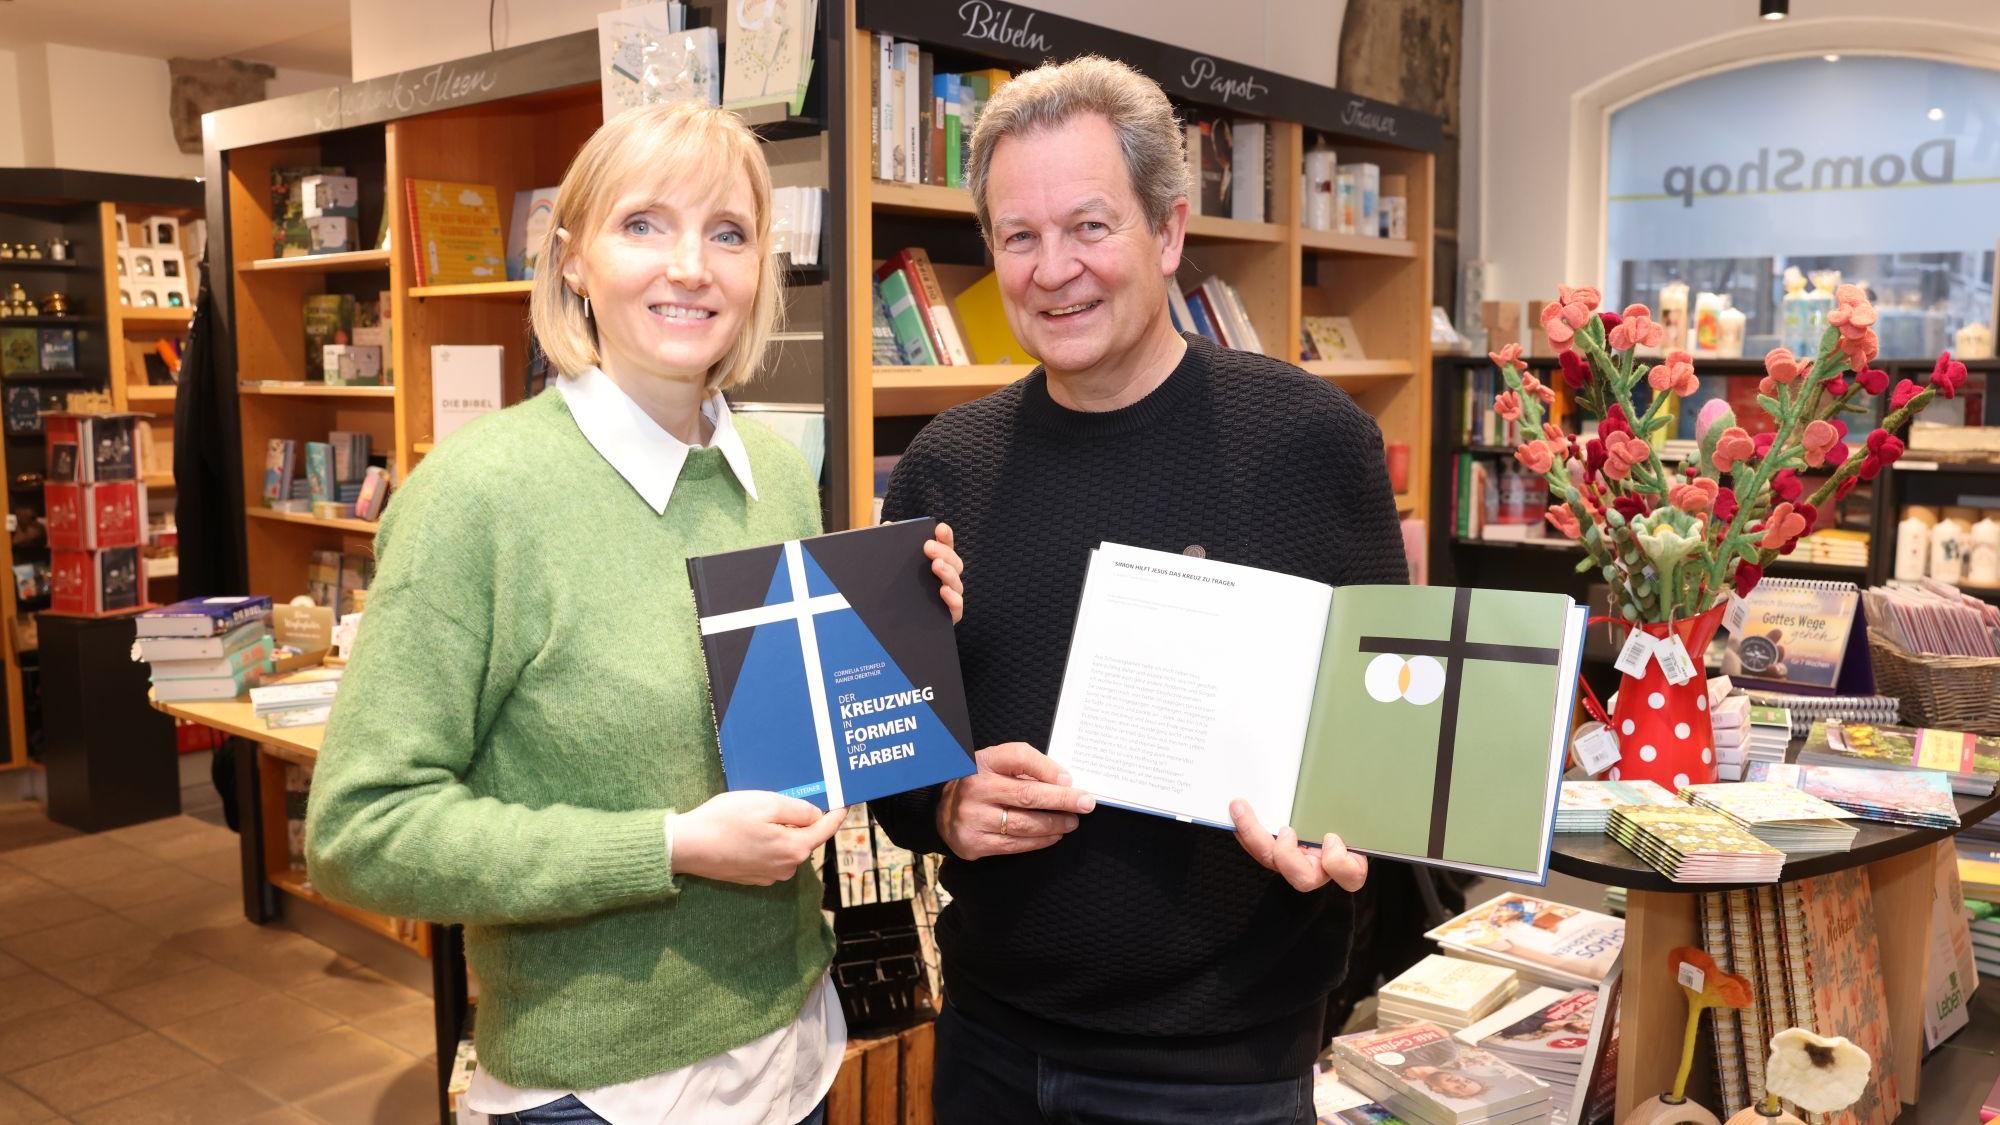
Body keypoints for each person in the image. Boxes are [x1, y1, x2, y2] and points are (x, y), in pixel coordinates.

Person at [305, 101, 963, 1125]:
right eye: (643, 224)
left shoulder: (776, 474)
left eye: (728, 233)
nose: (690, 267)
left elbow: (783, 735)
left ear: (760, 272)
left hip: (795, 1045)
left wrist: (898, 632)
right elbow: (361, 831)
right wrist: (669, 846)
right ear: (573, 259)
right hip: (601, 1089)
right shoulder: (479, 496)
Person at [871, 56, 1409, 1125]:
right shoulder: (942, 469)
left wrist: (1338, 831)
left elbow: (1387, 740)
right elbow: (893, 754)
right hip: (989, 1047)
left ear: (1166, 233)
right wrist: (944, 805)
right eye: (1018, 237)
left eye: (1088, 226)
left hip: (1224, 1071)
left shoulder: (1311, 443)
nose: (1053, 270)